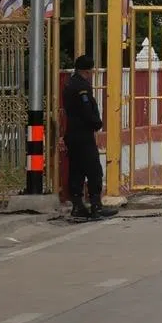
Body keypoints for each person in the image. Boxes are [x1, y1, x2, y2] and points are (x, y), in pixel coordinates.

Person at [61, 54, 113, 221]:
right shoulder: (82, 87)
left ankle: (78, 205)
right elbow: (86, 110)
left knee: (76, 170)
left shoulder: (69, 83)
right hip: (83, 134)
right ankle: (96, 206)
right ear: (88, 70)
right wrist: (96, 123)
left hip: (72, 134)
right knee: (94, 170)